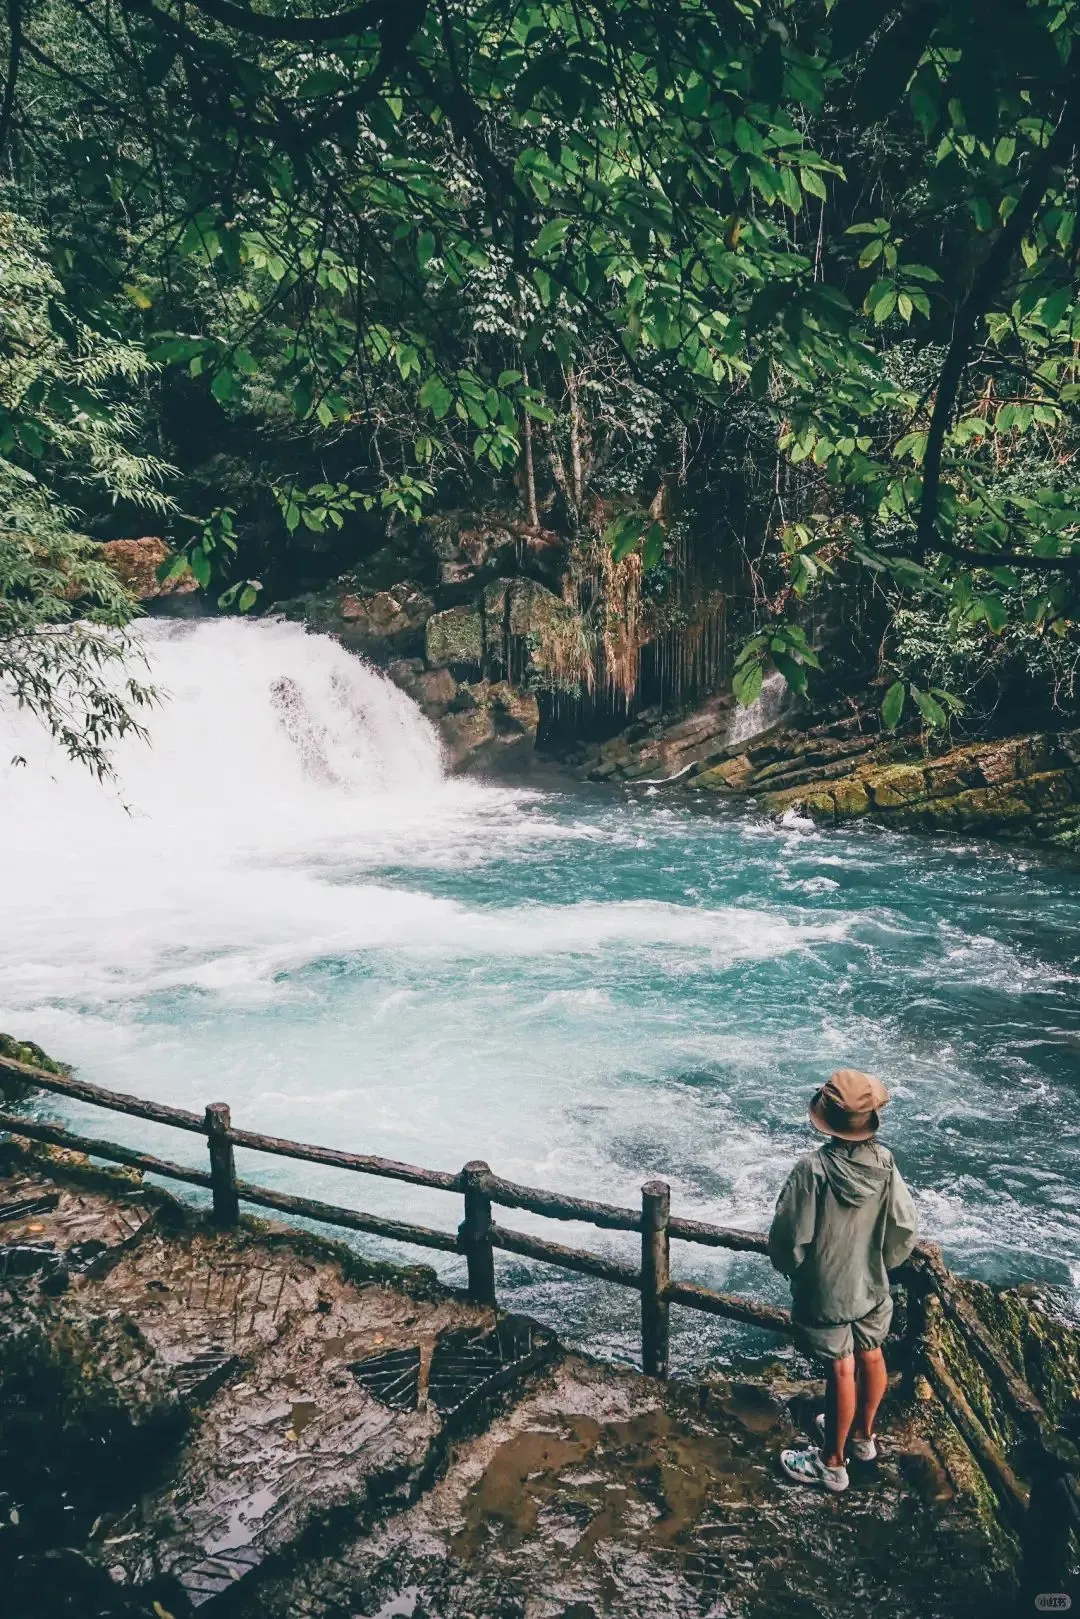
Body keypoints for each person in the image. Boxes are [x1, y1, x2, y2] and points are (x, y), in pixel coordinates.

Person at [767, 1067, 919, 1493]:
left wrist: (798, 1270)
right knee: (872, 1353)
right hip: (870, 1283)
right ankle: (863, 1439)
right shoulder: (885, 1162)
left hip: (827, 1286)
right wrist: (879, 1264)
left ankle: (832, 1464)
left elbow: (789, 1237)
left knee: (840, 1369)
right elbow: (904, 1226)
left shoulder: (812, 1170)